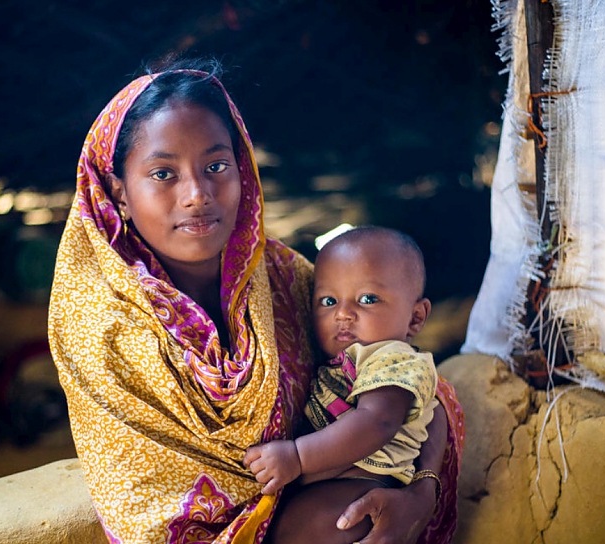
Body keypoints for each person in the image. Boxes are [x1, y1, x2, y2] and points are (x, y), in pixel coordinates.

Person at [48, 55, 465, 543]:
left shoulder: (284, 279)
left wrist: (421, 494)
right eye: (164, 174)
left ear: (242, 170)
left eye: (216, 166)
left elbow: (413, 383)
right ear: (119, 192)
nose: (197, 194)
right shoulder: (101, 328)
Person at [244, 226, 442, 543]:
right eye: (328, 300)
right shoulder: (341, 360)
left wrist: (297, 457)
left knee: (316, 526)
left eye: (367, 299)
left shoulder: (393, 358)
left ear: (415, 318)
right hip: (335, 482)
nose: (343, 314)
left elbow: (377, 421)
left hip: (363, 483)